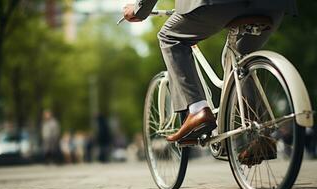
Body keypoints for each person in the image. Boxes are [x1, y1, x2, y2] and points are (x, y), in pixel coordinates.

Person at [123, 0, 297, 142]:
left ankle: (198, 109)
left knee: (169, 37)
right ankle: (261, 136)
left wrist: (139, 9)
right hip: (274, 5)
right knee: (241, 56)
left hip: (218, 4)